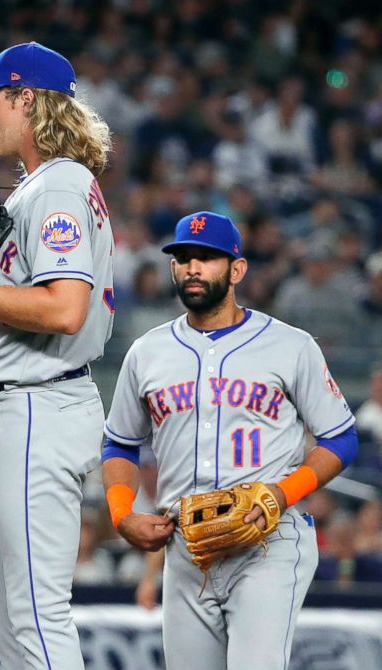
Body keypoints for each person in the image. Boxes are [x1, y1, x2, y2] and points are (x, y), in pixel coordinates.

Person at [101, 211, 358, 669]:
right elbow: (119, 444)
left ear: (237, 269)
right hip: (185, 546)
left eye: (208, 258)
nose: (193, 268)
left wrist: (283, 494)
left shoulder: (290, 345)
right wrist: (122, 515)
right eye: (183, 258)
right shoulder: (147, 352)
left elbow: (340, 440)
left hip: (267, 540)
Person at [0, 43, 116, 669]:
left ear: (27, 100)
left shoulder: (60, 183)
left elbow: (65, 308)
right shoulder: (44, 184)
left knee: (36, 611)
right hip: (23, 407)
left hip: (43, 405)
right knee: (8, 610)